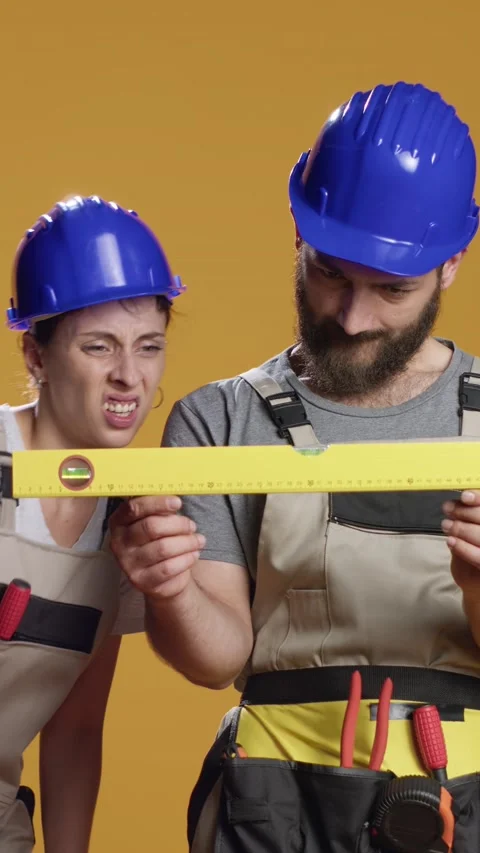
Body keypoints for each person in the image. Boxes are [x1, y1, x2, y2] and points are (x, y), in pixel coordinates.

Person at [109, 82, 480, 851]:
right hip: (271, 811)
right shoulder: (222, 419)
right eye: (331, 272)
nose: (353, 316)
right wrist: (169, 584)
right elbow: (218, 659)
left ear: (452, 262)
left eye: (393, 289)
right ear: (297, 229)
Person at [0, 194, 185, 853]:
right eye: (98, 345)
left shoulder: (127, 521)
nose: (128, 376)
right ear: (38, 356)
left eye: (149, 346)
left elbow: (74, 728)